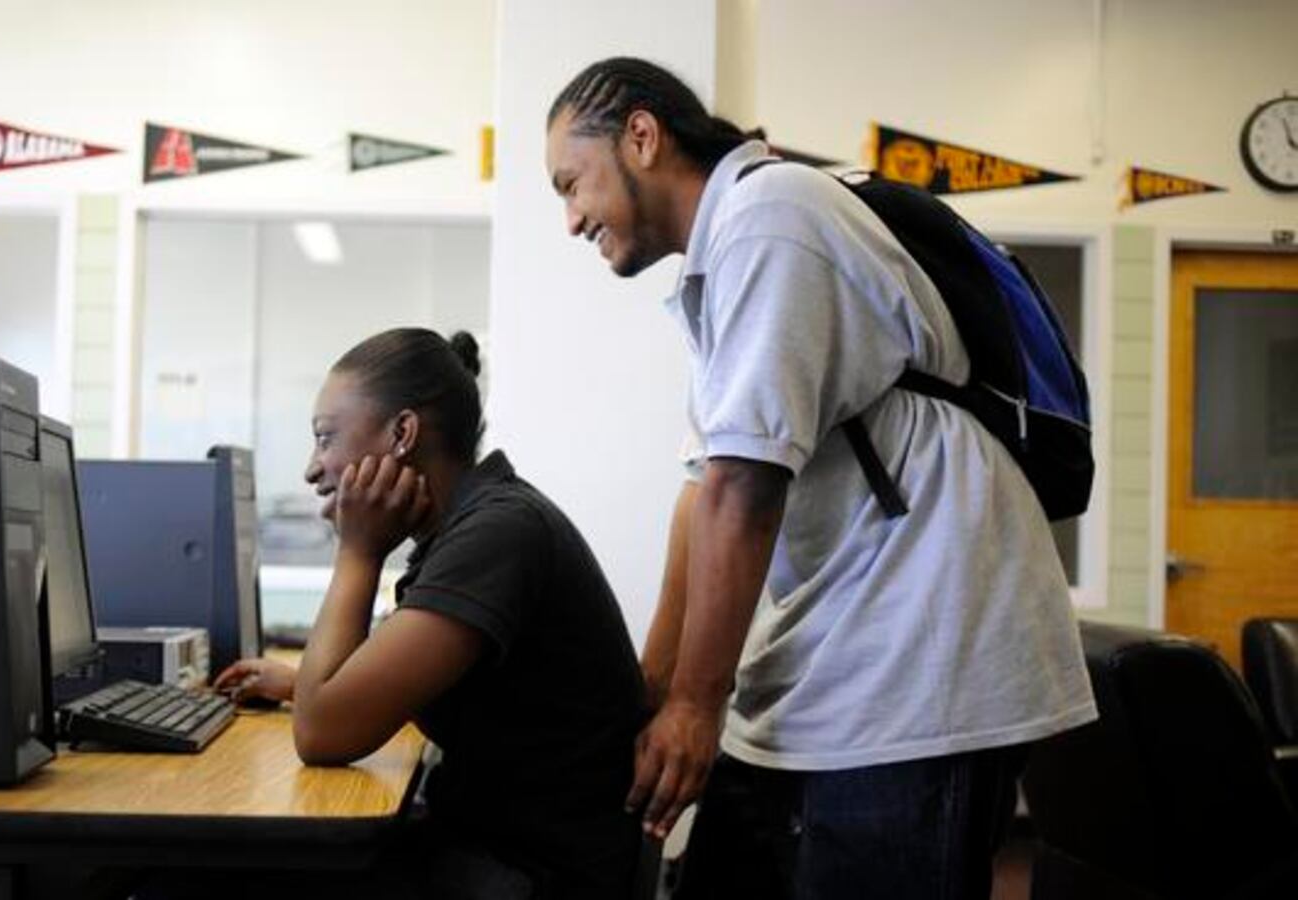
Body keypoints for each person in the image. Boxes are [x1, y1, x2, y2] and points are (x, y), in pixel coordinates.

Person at [544, 58, 1096, 899]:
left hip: (917, 671)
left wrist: (695, 704)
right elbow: (703, 492)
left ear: (642, 137)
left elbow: (741, 488)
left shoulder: (773, 216)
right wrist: (656, 692)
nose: (570, 219)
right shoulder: (727, 255)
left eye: (571, 183)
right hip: (839, 658)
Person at [213, 328, 648, 900]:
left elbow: (321, 735)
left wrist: (358, 551)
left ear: (402, 434)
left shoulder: (497, 534)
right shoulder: (476, 525)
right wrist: (304, 684)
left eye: (325, 439)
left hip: (531, 873)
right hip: (507, 848)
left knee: (214, 876)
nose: (312, 469)